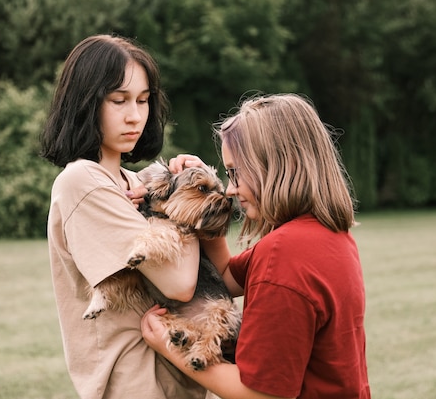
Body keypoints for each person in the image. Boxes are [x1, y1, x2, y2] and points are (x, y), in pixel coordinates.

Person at [142, 93, 371, 399]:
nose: (232, 189)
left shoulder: (284, 254)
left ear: (275, 165)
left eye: (235, 172)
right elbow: (224, 276)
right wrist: (202, 199)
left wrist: (169, 347)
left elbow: (261, 394)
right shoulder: (329, 237)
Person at [40, 34, 206, 399]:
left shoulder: (132, 182)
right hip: (132, 379)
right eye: (119, 100)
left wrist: (189, 190)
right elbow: (180, 283)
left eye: (143, 101)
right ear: (84, 103)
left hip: (177, 374)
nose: (135, 116)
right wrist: (189, 206)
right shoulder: (82, 182)